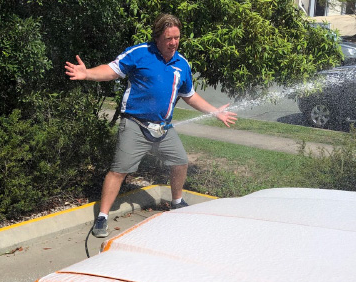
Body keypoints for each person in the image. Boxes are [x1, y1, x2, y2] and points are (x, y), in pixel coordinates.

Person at [65, 13, 237, 238]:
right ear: (157, 38)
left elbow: (190, 95)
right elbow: (111, 70)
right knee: (119, 170)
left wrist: (215, 112)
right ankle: (102, 217)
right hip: (135, 125)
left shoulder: (181, 64)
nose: (173, 43)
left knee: (180, 162)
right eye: (168, 38)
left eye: (177, 38)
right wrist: (87, 73)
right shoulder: (140, 54)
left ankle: (177, 202)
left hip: (163, 128)